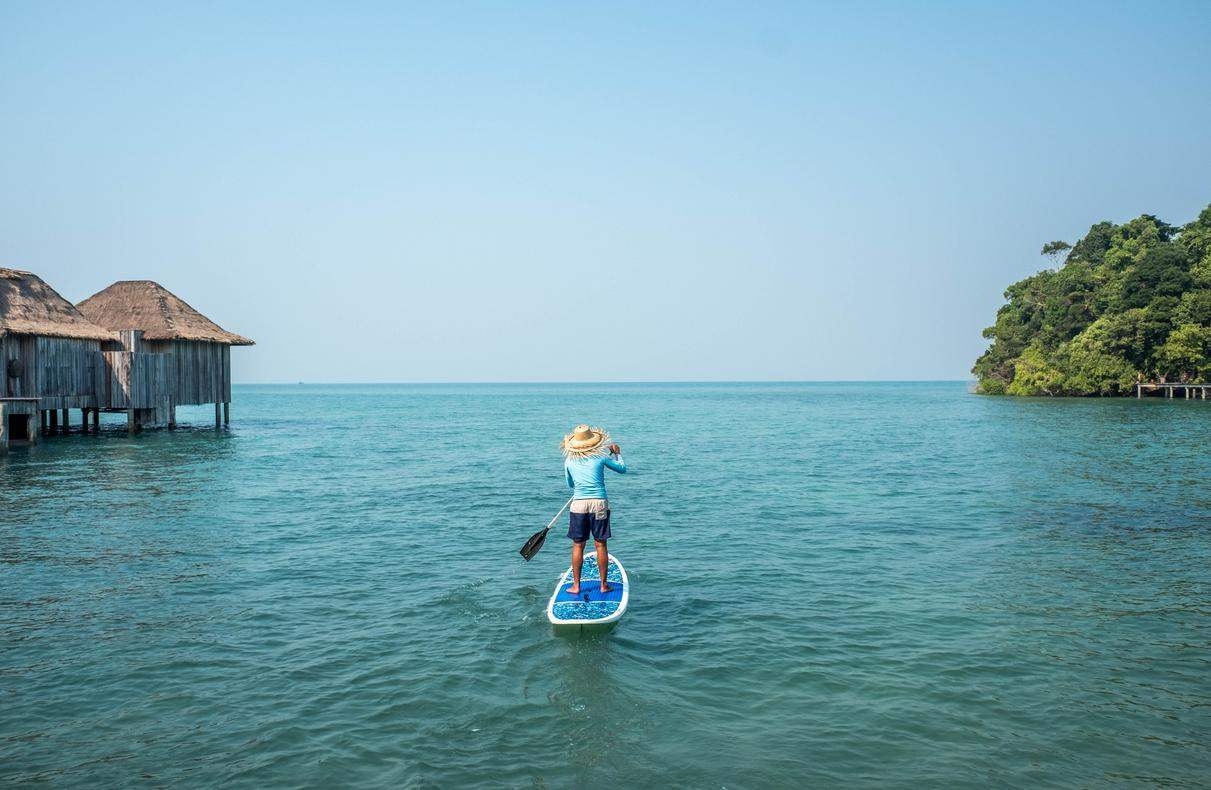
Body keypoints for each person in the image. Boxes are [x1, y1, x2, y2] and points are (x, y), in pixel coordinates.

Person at [560, 424, 626, 595]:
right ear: (593, 442)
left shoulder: (569, 461)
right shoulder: (600, 458)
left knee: (578, 545)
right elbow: (622, 469)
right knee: (601, 544)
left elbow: (571, 485)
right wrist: (617, 453)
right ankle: (604, 585)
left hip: (579, 505)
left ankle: (576, 586)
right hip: (599, 504)